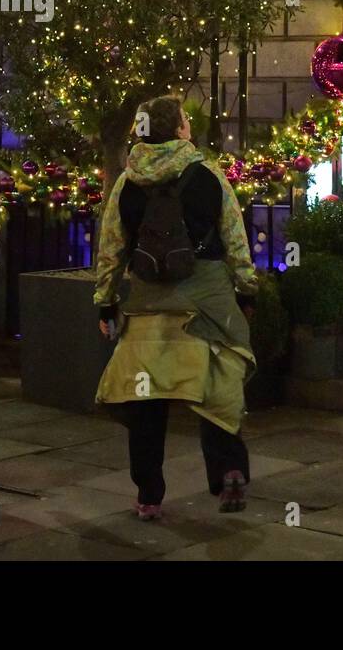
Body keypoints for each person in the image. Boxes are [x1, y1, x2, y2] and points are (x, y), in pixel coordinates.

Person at [93, 95, 259, 520]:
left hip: (149, 302)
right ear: (181, 129)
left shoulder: (127, 183)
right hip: (204, 297)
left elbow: (111, 247)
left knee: (144, 397)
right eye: (186, 119)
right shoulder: (207, 175)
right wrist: (246, 289)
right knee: (217, 385)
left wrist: (106, 302)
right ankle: (230, 471)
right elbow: (235, 236)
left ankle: (149, 493)